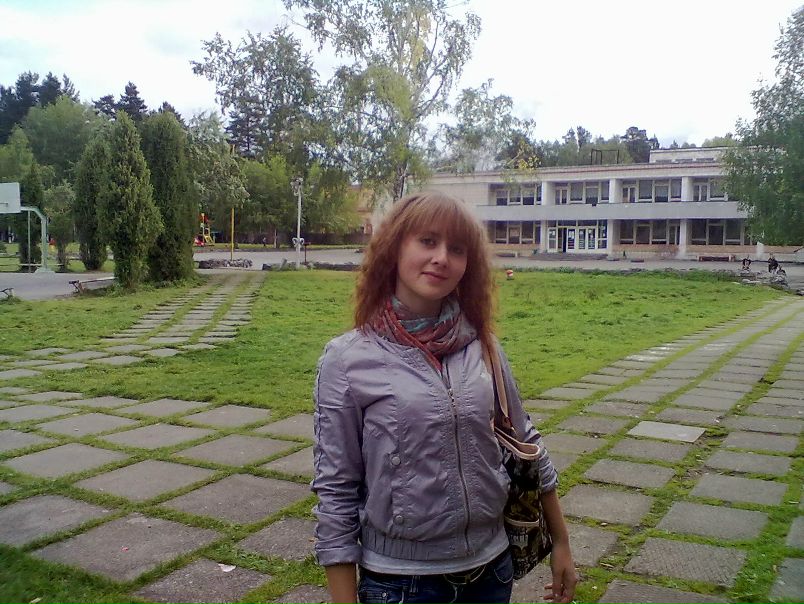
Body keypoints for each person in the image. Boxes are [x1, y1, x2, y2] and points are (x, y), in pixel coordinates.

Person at [312, 192, 577, 604]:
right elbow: (336, 490)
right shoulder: (347, 360)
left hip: (492, 572)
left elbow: (527, 442)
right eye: (427, 241)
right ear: (395, 247)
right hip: (401, 585)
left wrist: (561, 541)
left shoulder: (483, 346)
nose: (441, 258)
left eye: (456, 249)